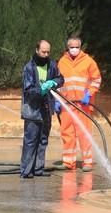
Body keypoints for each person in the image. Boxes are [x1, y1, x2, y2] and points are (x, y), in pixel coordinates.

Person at [55, 37, 102, 172]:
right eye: (72, 47)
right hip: (67, 105)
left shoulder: (88, 62)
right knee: (67, 133)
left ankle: (87, 162)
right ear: (68, 48)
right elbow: (58, 82)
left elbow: (96, 79)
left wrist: (89, 93)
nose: (74, 49)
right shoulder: (62, 62)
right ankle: (68, 162)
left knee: (84, 133)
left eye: (77, 47)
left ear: (80, 47)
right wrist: (58, 100)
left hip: (83, 105)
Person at [20, 40, 64, 178]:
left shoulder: (52, 65)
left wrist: (54, 82)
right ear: (37, 50)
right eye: (43, 51)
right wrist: (41, 90)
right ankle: (26, 171)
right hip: (32, 110)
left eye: (48, 52)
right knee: (31, 140)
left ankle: (38, 169)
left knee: (43, 140)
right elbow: (28, 90)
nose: (46, 55)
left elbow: (61, 78)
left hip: (46, 108)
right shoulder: (29, 68)